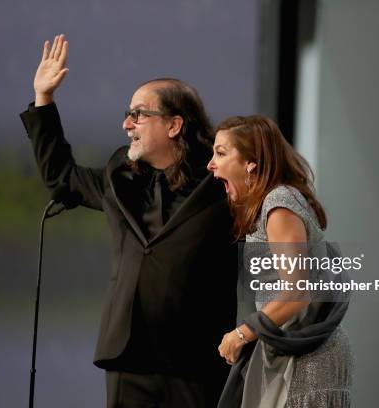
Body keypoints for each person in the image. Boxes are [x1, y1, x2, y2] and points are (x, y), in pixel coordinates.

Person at [19, 34, 238, 407]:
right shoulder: (119, 180)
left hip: (196, 359)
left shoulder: (220, 183)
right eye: (127, 114)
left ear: (173, 125)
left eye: (138, 114)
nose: (127, 124)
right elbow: (61, 177)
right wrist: (44, 99)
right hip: (129, 357)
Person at [207, 115, 353, 407]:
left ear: (252, 162)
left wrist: (241, 334)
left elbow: (296, 293)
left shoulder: (278, 203)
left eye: (221, 153)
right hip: (295, 350)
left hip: (308, 360)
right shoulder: (272, 204)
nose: (211, 164)